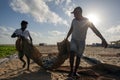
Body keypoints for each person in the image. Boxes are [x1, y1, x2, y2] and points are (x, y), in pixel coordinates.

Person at [65, 7, 108, 77]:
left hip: (82, 42)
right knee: (72, 53)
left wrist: (103, 39)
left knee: (78, 57)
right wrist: (66, 38)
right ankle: (71, 71)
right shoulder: (73, 21)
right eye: (73, 13)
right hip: (74, 40)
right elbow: (71, 29)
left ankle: (75, 72)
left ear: (79, 13)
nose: (74, 15)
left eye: (75, 13)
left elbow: (95, 30)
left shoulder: (87, 21)